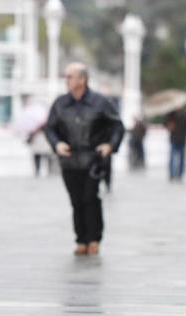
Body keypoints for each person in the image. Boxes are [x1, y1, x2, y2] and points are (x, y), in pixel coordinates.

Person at [44, 62, 124, 256]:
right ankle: (81, 239)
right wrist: (56, 144)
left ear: (82, 79)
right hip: (69, 160)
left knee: (90, 198)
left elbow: (117, 126)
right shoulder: (60, 103)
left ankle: (94, 238)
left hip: (93, 159)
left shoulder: (100, 102)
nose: (67, 80)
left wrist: (110, 146)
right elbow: (49, 128)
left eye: (70, 76)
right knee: (76, 200)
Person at [164, 107, 186, 180]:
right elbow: (165, 124)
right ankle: (172, 174)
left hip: (181, 139)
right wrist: (169, 126)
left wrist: (185, 133)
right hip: (175, 139)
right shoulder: (171, 114)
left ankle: (179, 174)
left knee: (181, 158)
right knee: (173, 157)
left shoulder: (184, 115)